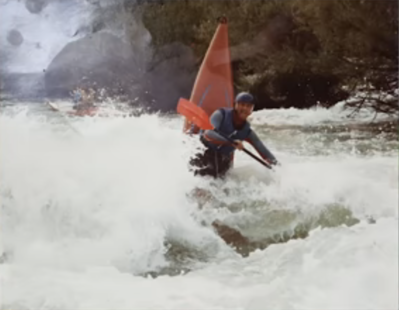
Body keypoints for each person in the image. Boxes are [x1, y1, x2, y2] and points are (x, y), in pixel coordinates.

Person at [189, 91, 279, 178]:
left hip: (223, 160)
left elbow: (264, 152)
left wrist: (280, 169)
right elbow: (209, 134)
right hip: (204, 154)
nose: (244, 108)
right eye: (242, 104)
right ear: (235, 105)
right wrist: (231, 142)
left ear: (251, 110)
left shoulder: (247, 132)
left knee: (222, 188)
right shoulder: (221, 114)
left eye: (248, 106)